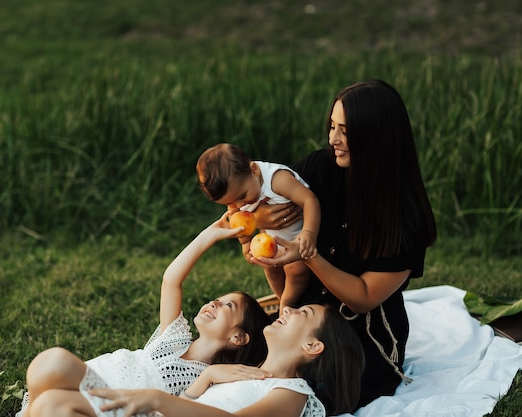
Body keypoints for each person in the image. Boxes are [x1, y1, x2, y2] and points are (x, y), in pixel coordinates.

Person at [251, 79, 438, 409]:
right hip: (298, 320)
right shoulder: (319, 168)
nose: (333, 139)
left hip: (358, 338)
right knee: (235, 350)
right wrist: (259, 223)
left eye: (345, 131)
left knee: (311, 387)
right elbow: (267, 209)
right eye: (332, 126)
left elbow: (363, 298)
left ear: (377, 137)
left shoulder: (406, 217)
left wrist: (308, 255)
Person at [15, 214, 273, 417]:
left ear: (239, 337)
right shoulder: (174, 338)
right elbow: (172, 280)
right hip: (94, 381)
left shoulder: (211, 382)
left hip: (120, 407)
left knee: (54, 367)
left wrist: (211, 375)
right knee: (49, 366)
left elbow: (188, 408)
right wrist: (209, 236)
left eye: (228, 306)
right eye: (217, 299)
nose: (214, 303)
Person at [73, 303, 365, 417]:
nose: (287, 308)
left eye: (304, 312)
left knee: (57, 396)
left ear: (312, 345)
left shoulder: (292, 393)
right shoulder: (240, 372)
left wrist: (159, 399)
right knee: (55, 391)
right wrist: (206, 378)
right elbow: (192, 403)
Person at [196, 143, 321, 312]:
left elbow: (309, 200)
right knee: (270, 268)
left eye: (242, 196)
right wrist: (246, 243)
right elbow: (238, 220)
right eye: (230, 202)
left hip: (297, 238)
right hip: (271, 239)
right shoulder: (238, 193)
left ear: (254, 170)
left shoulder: (277, 180)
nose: (239, 204)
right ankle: (280, 297)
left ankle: (288, 303)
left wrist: (309, 233)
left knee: (296, 270)